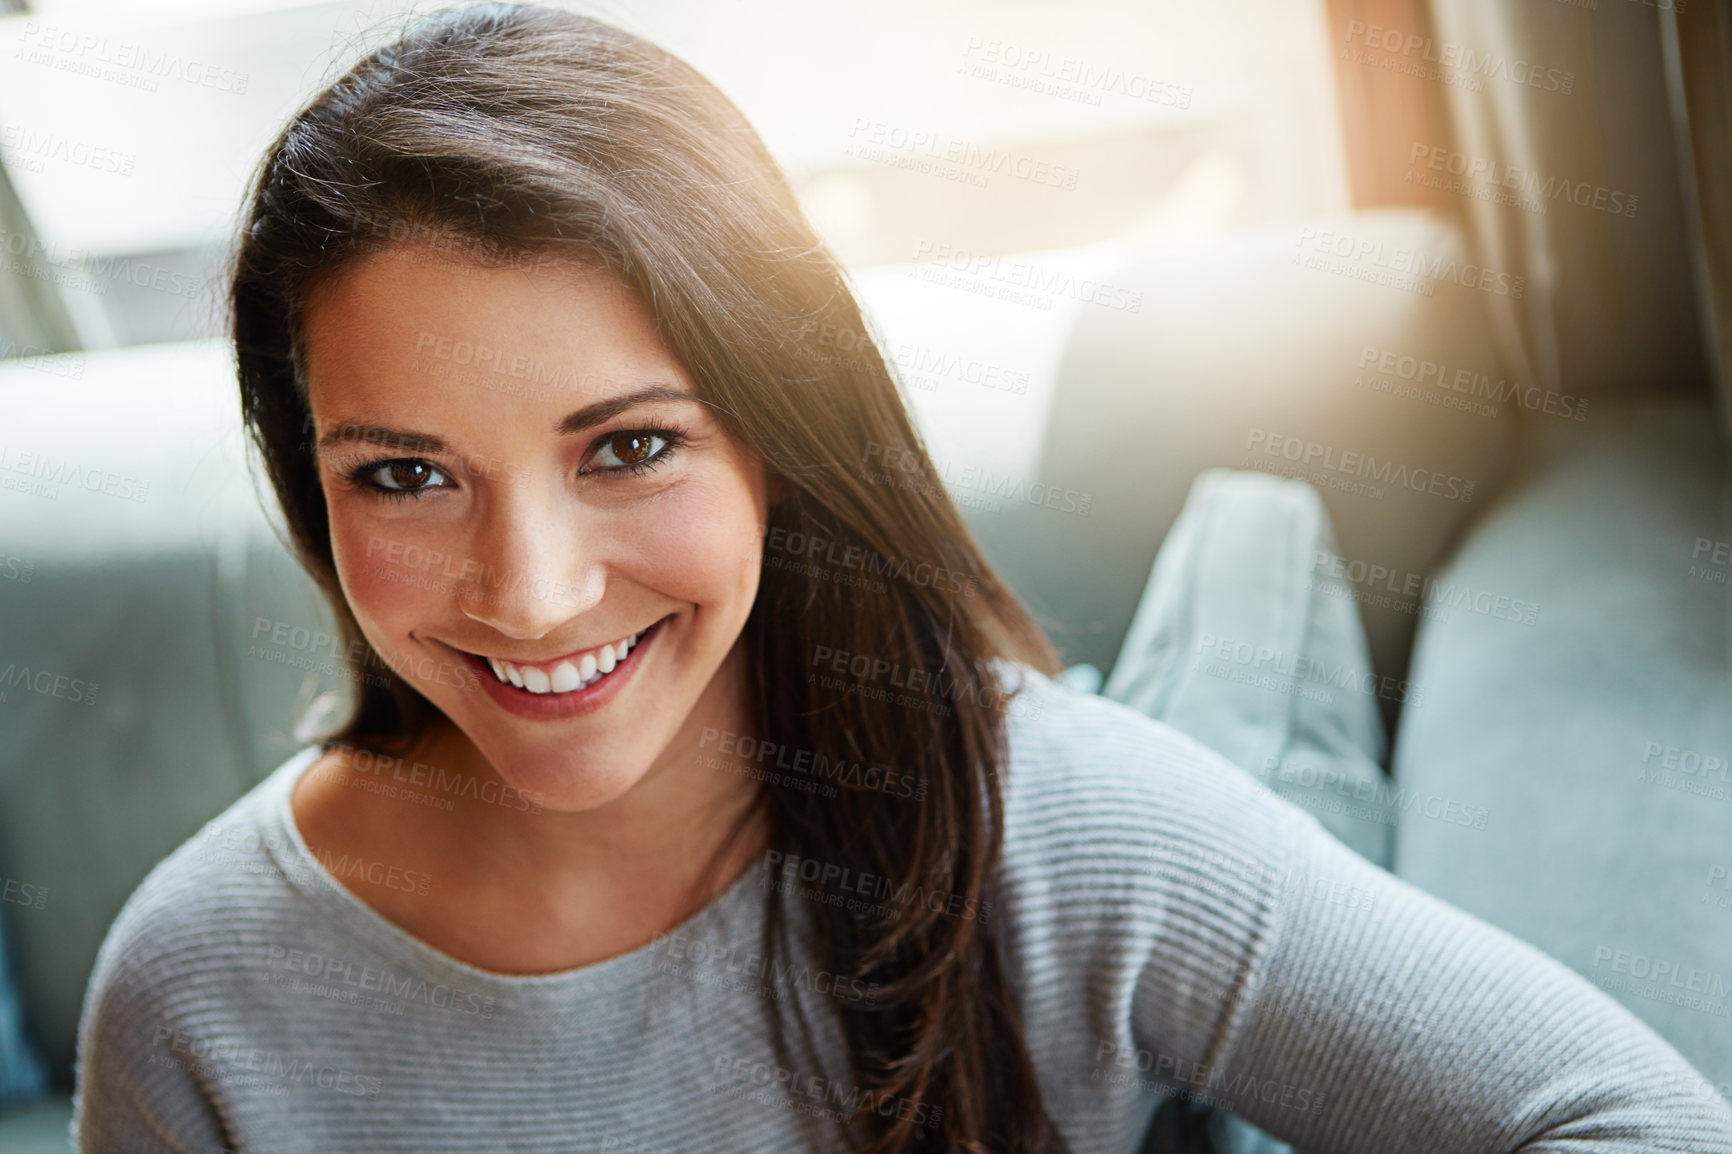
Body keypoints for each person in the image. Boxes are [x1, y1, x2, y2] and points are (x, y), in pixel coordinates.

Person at [71, 4, 1732, 1151]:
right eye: (409, 474)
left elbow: (1632, 1116)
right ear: (312, 484)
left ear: (774, 436)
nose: (535, 589)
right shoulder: (196, 1002)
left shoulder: (1054, 828)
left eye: (628, 446)